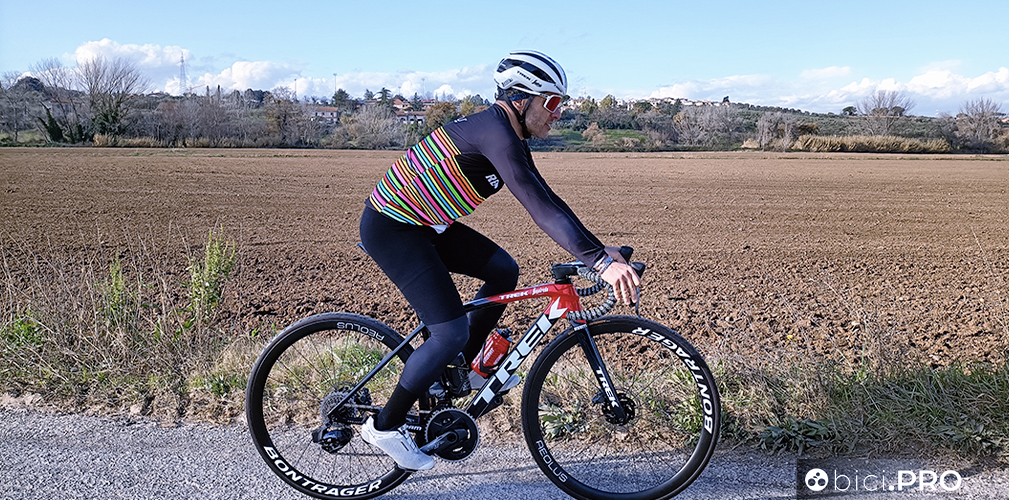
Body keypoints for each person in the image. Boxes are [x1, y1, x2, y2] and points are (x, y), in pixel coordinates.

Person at [358, 50, 641, 471]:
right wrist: (601, 262)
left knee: (503, 270)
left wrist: (601, 251)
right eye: (552, 102)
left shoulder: (508, 135)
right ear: (521, 99)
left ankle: (464, 368)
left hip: (427, 225)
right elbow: (539, 210)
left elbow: (547, 198)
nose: (558, 113)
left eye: (561, 103)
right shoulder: (496, 135)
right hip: (393, 228)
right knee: (449, 332)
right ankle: (385, 425)